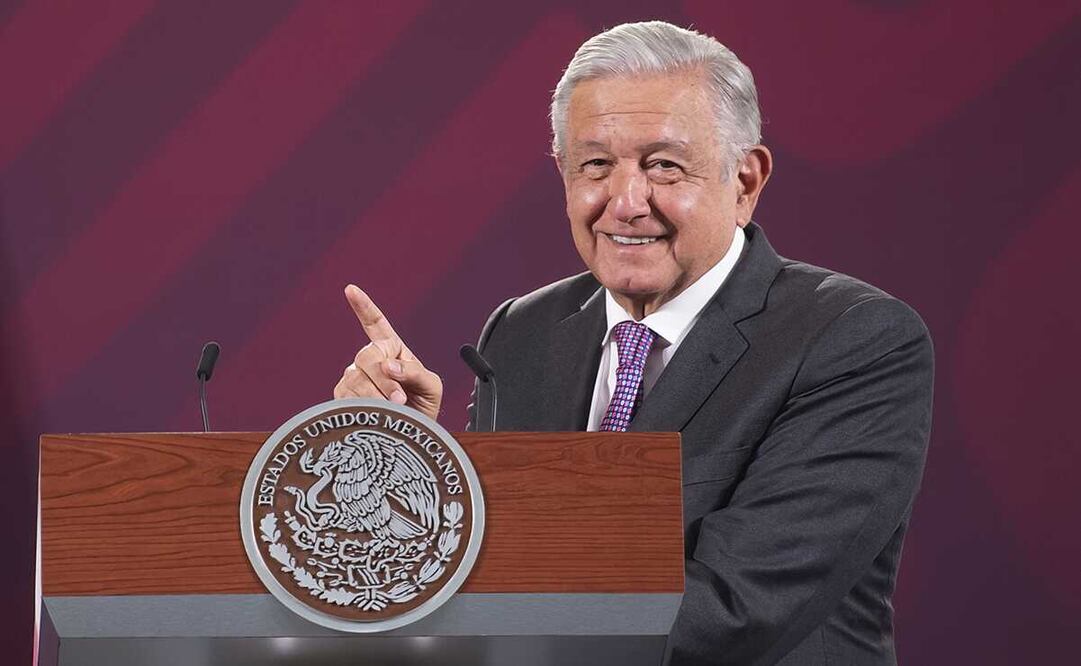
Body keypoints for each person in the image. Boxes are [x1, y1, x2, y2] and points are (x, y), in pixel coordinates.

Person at [333, 21, 933, 666]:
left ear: (746, 182)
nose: (625, 202)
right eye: (596, 165)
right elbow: (492, 554)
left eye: (664, 166)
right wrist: (412, 456)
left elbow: (735, 610)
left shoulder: (853, 339)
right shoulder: (521, 333)